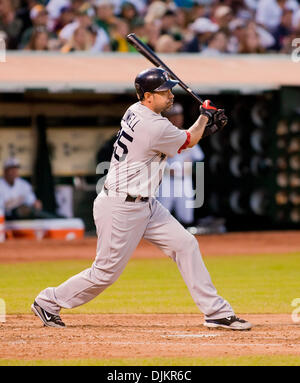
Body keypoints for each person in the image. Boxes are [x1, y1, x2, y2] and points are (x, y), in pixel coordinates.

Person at [31, 67, 251, 331]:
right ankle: (48, 301)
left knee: (185, 245)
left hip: (146, 204)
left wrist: (204, 123)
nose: (170, 95)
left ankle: (215, 312)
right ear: (147, 96)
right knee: (105, 273)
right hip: (121, 207)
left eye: (170, 90)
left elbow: (186, 138)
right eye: (163, 92)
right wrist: (204, 116)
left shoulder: (135, 110)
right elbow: (189, 140)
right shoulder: (153, 125)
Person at [157, 103, 204, 227]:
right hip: (166, 180)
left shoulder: (187, 135)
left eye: (178, 115)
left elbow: (199, 158)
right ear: (166, 118)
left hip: (184, 180)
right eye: (173, 116)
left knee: (186, 217)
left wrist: (191, 168)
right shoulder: (161, 136)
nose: (177, 118)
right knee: (160, 216)